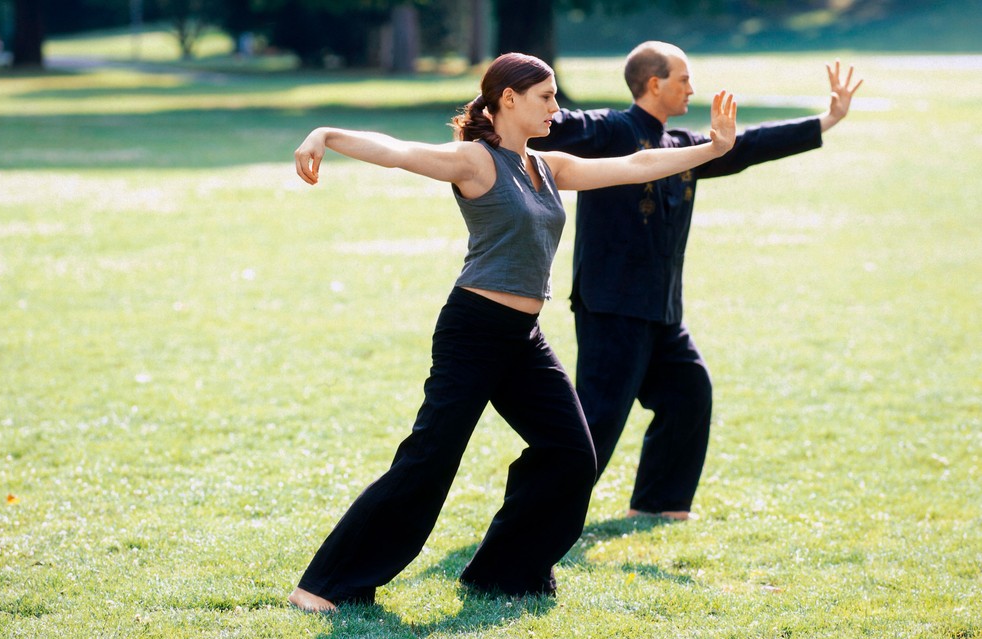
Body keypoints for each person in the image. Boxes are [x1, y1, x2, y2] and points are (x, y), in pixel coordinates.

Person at [286, 52, 738, 613]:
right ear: (509, 99)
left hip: (524, 337)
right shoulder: (477, 162)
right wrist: (325, 132)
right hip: (474, 330)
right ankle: (323, 586)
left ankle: (503, 571)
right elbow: (401, 153)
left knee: (572, 455)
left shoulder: (547, 167)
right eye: (545, 97)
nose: (556, 106)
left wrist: (714, 148)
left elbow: (634, 167)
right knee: (429, 460)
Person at [529, 42, 863, 521]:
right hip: (612, 305)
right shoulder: (609, 131)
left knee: (689, 393)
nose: (692, 88)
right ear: (653, 84)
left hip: (662, 310)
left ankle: (659, 505)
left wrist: (826, 120)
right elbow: (552, 126)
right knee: (597, 421)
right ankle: (537, 515)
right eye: (684, 79)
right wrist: (497, 109)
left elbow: (746, 146)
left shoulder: (684, 146)